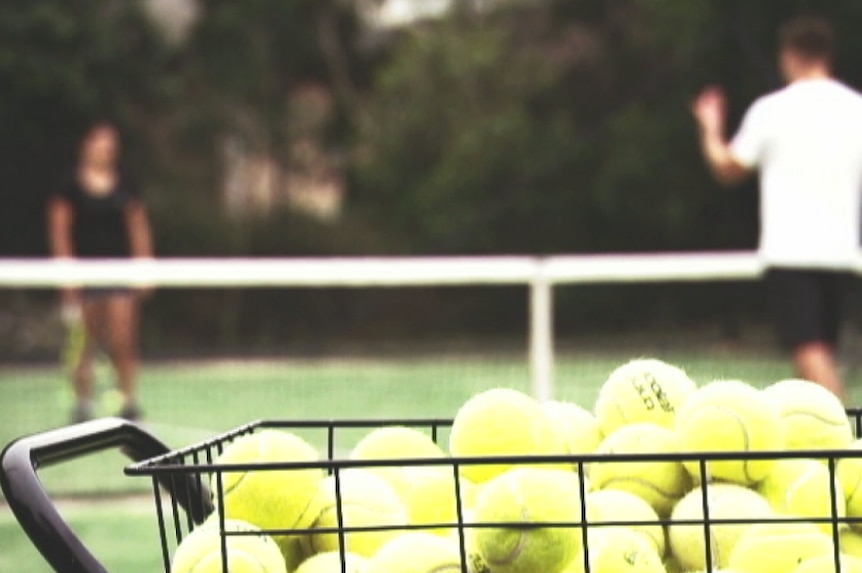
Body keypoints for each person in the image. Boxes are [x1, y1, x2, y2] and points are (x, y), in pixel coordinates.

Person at [691, 15, 862, 400]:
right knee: (818, 355)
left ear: (789, 55)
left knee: (809, 353)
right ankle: (822, 447)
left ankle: (850, 438)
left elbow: (727, 167)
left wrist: (709, 126)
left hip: (791, 253)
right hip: (843, 253)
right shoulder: (856, 109)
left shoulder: (772, 110)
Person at [47, 121, 153, 422]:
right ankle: (82, 404)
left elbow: (138, 226)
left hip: (119, 273)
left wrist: (144, 266)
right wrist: (66, 273)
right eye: (100, 144)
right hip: (84, 274)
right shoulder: (69, 185)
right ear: (87, 145)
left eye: (111, 146)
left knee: (123, 339)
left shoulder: (125, 183)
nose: (106, 150)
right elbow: (60, 231)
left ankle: (129, 401)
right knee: (85, 341)